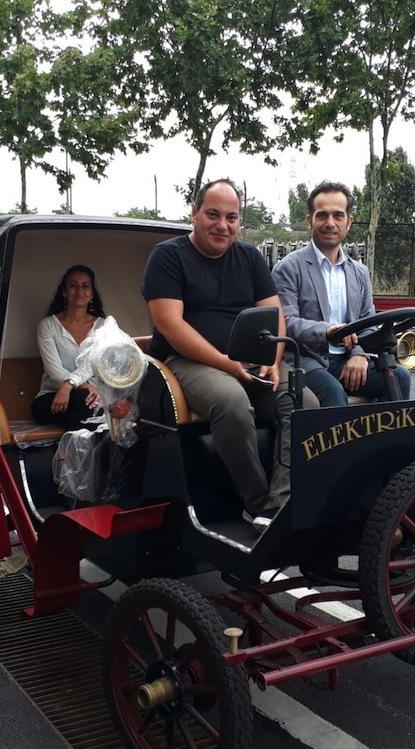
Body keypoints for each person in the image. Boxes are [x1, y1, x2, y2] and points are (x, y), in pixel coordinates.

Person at [142, 178, 317, 530]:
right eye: (213, 214)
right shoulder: (167, 257)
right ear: (194, 213)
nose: (222, 225)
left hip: (251, 360)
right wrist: (226, 363)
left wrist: (273, 360)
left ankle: (280, 505)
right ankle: (257, 502)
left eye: (231, 217)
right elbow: (170, 325)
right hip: (186, 361)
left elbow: (274, 313)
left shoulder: (250, 258)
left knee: (305, 404)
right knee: (232, 402)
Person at [272, 181, 412, 407]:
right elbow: (286, 322)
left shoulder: (360, 272)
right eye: (322, 215)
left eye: (338, 215)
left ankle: (382, 432)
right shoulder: (289, 268)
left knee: (399, 377)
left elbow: (367, 324)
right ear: (309, 221)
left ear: (349, 221)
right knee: (332, 392)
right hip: (306, 361)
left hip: (347, 358)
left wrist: (359, 354)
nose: (330, 223)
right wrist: (328, 330)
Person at [32, 264, 106, 429]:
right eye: (73, 285)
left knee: (83, 411)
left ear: (92, 293)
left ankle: (72, 441)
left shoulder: (103, 327)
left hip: (92, 397)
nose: (79, 290)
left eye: (85, 286)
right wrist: (76, 385)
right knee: (87, 402)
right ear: (64, 291)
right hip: (53, 397)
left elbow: (94, 364)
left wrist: (71, 385)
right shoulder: (47, 325)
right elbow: (54, 370)